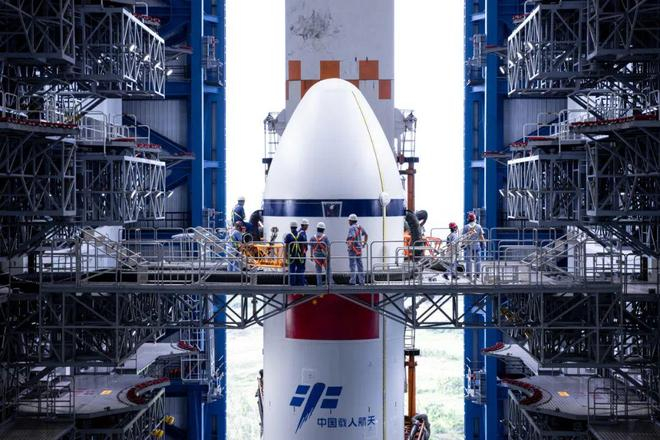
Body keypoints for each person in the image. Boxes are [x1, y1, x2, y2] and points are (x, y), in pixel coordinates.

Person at [346, 213, 368, 285]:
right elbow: (366, 235)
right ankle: (362, 281)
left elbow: (352, 238)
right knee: (360, 265)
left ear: (351, 221)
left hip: (353, 249)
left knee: (352, 265)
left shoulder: (351, 228)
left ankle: (353, 281)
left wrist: (350, 246)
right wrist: (364, 244)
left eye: (349, 220)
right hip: (359, 249)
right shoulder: (359, 227)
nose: (348, 222)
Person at [462, 212, 485, 279]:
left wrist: (463, 244)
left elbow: (464, 237)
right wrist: (484, 243)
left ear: (469, 219)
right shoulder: (478, 226)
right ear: (475, 219)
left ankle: (468, 273)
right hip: (477, 245)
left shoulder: (466, 227)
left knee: (468, 260)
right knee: (478, 260)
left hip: (469, 246)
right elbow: (481, 236)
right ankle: (477, 274)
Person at [284, 221, 304, 286]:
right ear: (296, 227)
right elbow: (302, 246)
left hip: (291, 256)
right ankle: (300, 284)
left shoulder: (288, 236)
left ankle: (292, 284)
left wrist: (286, 255)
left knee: (292, 270)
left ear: (290, 227)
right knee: (300, 270)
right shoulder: (300, 235)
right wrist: (302, 254)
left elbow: (286, 247)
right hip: (299, 256)